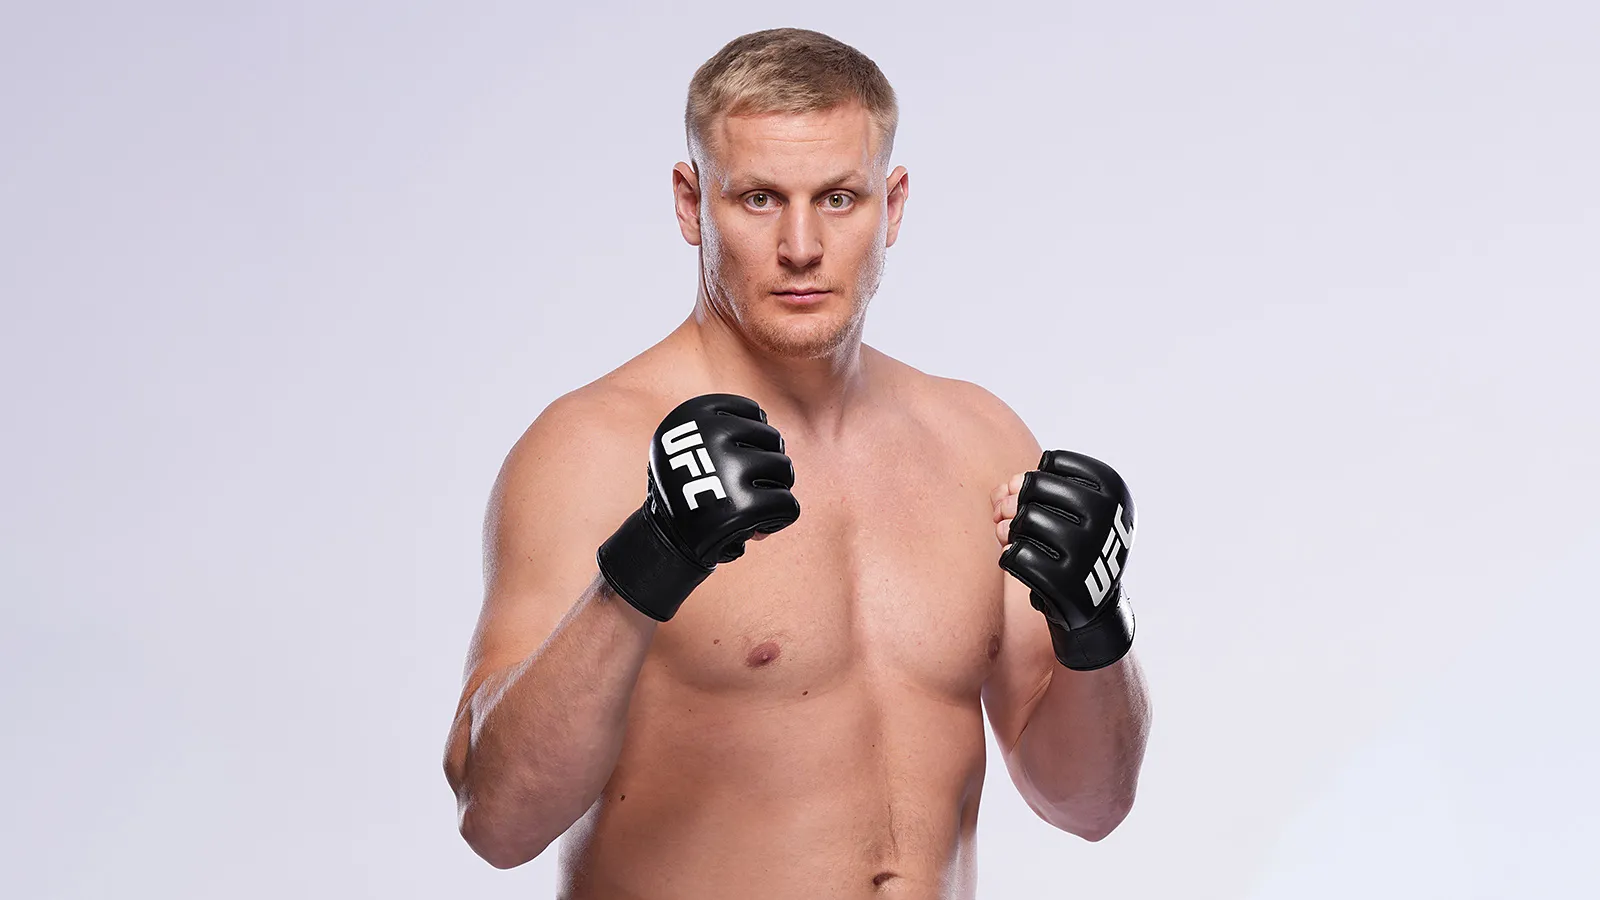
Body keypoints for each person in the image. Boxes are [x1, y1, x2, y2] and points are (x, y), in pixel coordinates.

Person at [443, 27, 1152, 899]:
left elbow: (1089, 805)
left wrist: (1095, 626)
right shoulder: (592, 447)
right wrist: (649, 559)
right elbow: (497, 820)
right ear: (690, 203)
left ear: (892, 205)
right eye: (759, 199)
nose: (803, 245)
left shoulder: (979, 440)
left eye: (839, 198)